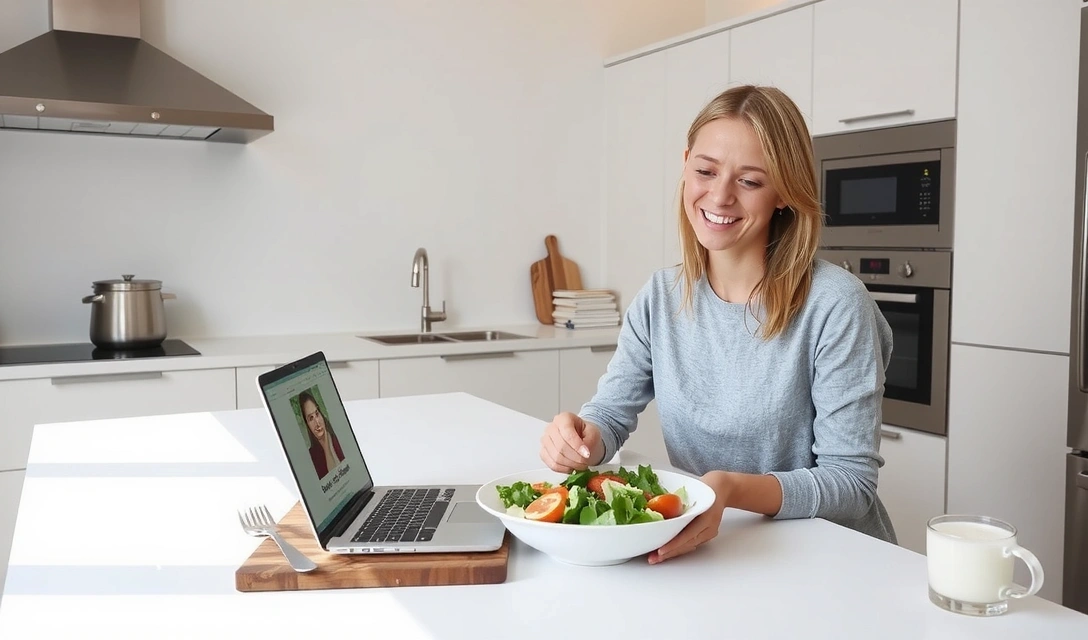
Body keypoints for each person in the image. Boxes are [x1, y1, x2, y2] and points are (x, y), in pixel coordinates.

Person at [539, 84, 896, 564]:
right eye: (705, 171)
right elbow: (610, 418)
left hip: (830, 558)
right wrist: (581, 438)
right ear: (686, 165)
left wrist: (729, 489)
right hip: (717, 550)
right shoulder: (661, 299)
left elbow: (852, 485)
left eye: (749, 181)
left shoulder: (835, 305)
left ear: (785, 193)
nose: (720, 196)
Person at [299, 390, 344, 478]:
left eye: (317, 413)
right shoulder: (311, 457)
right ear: (307, 424)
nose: (317, 422)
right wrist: (326, 447)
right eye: (311, 418)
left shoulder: (338, 437)